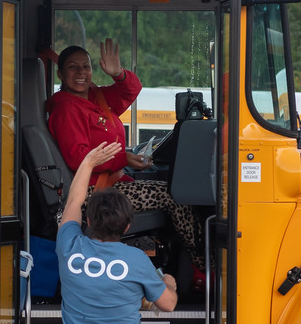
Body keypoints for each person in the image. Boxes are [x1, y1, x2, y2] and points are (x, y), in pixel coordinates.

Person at [45, 38, 207, 290]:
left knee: (171, 184)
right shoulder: (66, 108)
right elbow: (79, 157)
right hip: (93, 194)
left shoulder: (95, 97)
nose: (81, 73)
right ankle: (202, 268)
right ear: (60, 73)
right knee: (175, 195)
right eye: (73, 68)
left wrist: (118, 74)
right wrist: (123, 158)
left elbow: (130, 91)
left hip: (113, 181)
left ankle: (178, 266)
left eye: (85, 67)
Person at [56, 141, 178, 323]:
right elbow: (168, 305)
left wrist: (89, 161)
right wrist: (168, 282)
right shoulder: (137, 260)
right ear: (127, 226)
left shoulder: (70, 247)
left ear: (88, 221)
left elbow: (74, 201)